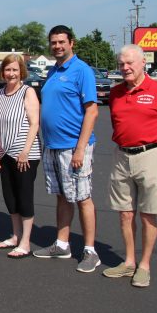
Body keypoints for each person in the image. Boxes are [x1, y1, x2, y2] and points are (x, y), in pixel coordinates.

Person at [103, 44, 157, 288]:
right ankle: (128, 261)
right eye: (121, 64)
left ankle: (144, 265)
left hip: (152, 156)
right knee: (125, 214)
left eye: (130, 63)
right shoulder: (115, 92)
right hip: (122, 157)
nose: (125, 68)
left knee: (148, 214)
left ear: (142, 64)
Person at [33, 25, 100, 273]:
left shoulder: (82, 71)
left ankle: (91, 251)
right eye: (54, 42)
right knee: (63, 195)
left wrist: (80, 149)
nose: (57, 46)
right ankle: (62, 244)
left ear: (71, 42)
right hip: (53, 145)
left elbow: (92, 110)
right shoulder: (53, 71)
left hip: (74, 146)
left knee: (83, 198)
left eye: (62, 41)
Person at [0, 54, 41, 258]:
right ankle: (15, 235)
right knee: (10, 197)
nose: (11, 74)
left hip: (24, 154)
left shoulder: (27, 92)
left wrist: (25, 151)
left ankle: (25, 242)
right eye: (7, 69)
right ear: (2, 72)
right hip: (4, 153)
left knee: (24, 197)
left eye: (15, 70)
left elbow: (34, 123)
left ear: (21, 71)